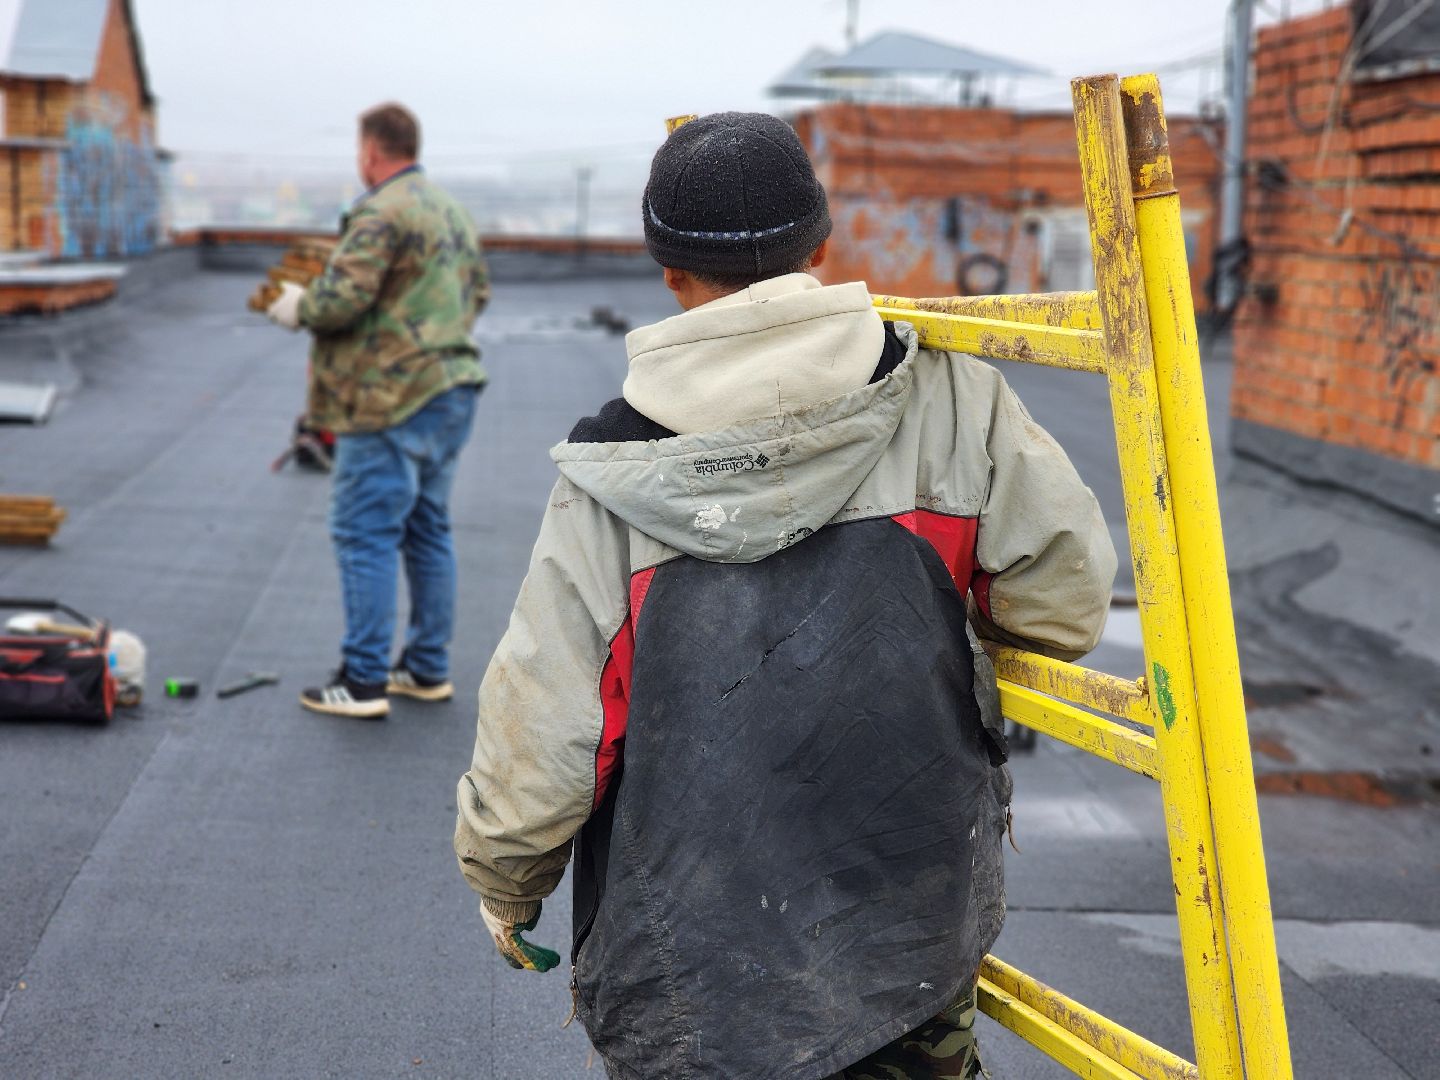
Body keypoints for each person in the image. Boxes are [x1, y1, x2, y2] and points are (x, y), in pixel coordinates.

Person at [453, 112, 1116, 1078]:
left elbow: (549, 731)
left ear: (668, 271)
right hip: (906, 933)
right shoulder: (953, 397)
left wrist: (506, 885)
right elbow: (1062, 604)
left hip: (690, 970)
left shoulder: (610, 473)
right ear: (820, 246)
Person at [266, 103, 490, 719]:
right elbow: (478, 291)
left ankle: (363, 680)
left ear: (371, 151)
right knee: (427, 526)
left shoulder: (379, 211)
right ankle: (424, 668)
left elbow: (342, 299)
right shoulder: (451, 211)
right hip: (451, 391)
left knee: (362, 531)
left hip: (389, 400)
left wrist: (298, 307)